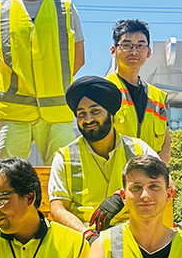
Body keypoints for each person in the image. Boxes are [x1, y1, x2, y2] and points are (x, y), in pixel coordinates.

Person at [0, 0, 85, 164]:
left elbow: (78, 59)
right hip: (12, 114)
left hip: (57, 112)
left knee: (65, 175)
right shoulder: (0, 11)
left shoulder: (66, 8)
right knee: (5, 178)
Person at [48, 76, 158, 240]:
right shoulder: (64, 157)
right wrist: (86, 233)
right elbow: (58, 209)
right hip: (83, 238)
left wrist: (122, 196)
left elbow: (165, 184)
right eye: (81, 114)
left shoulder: (139, 149)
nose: (88, 119)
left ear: (111, 114)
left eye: (95, 111)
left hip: (134, 235)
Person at [106, 19, 171, 162]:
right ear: (113, 50)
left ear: (148, 52)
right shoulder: (104, 89)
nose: (134, 51)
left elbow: (165, 145)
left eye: (140, 45)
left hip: (151, 178)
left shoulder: (158, 97)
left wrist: (158, 174)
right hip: (115, 178)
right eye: (127, 45)